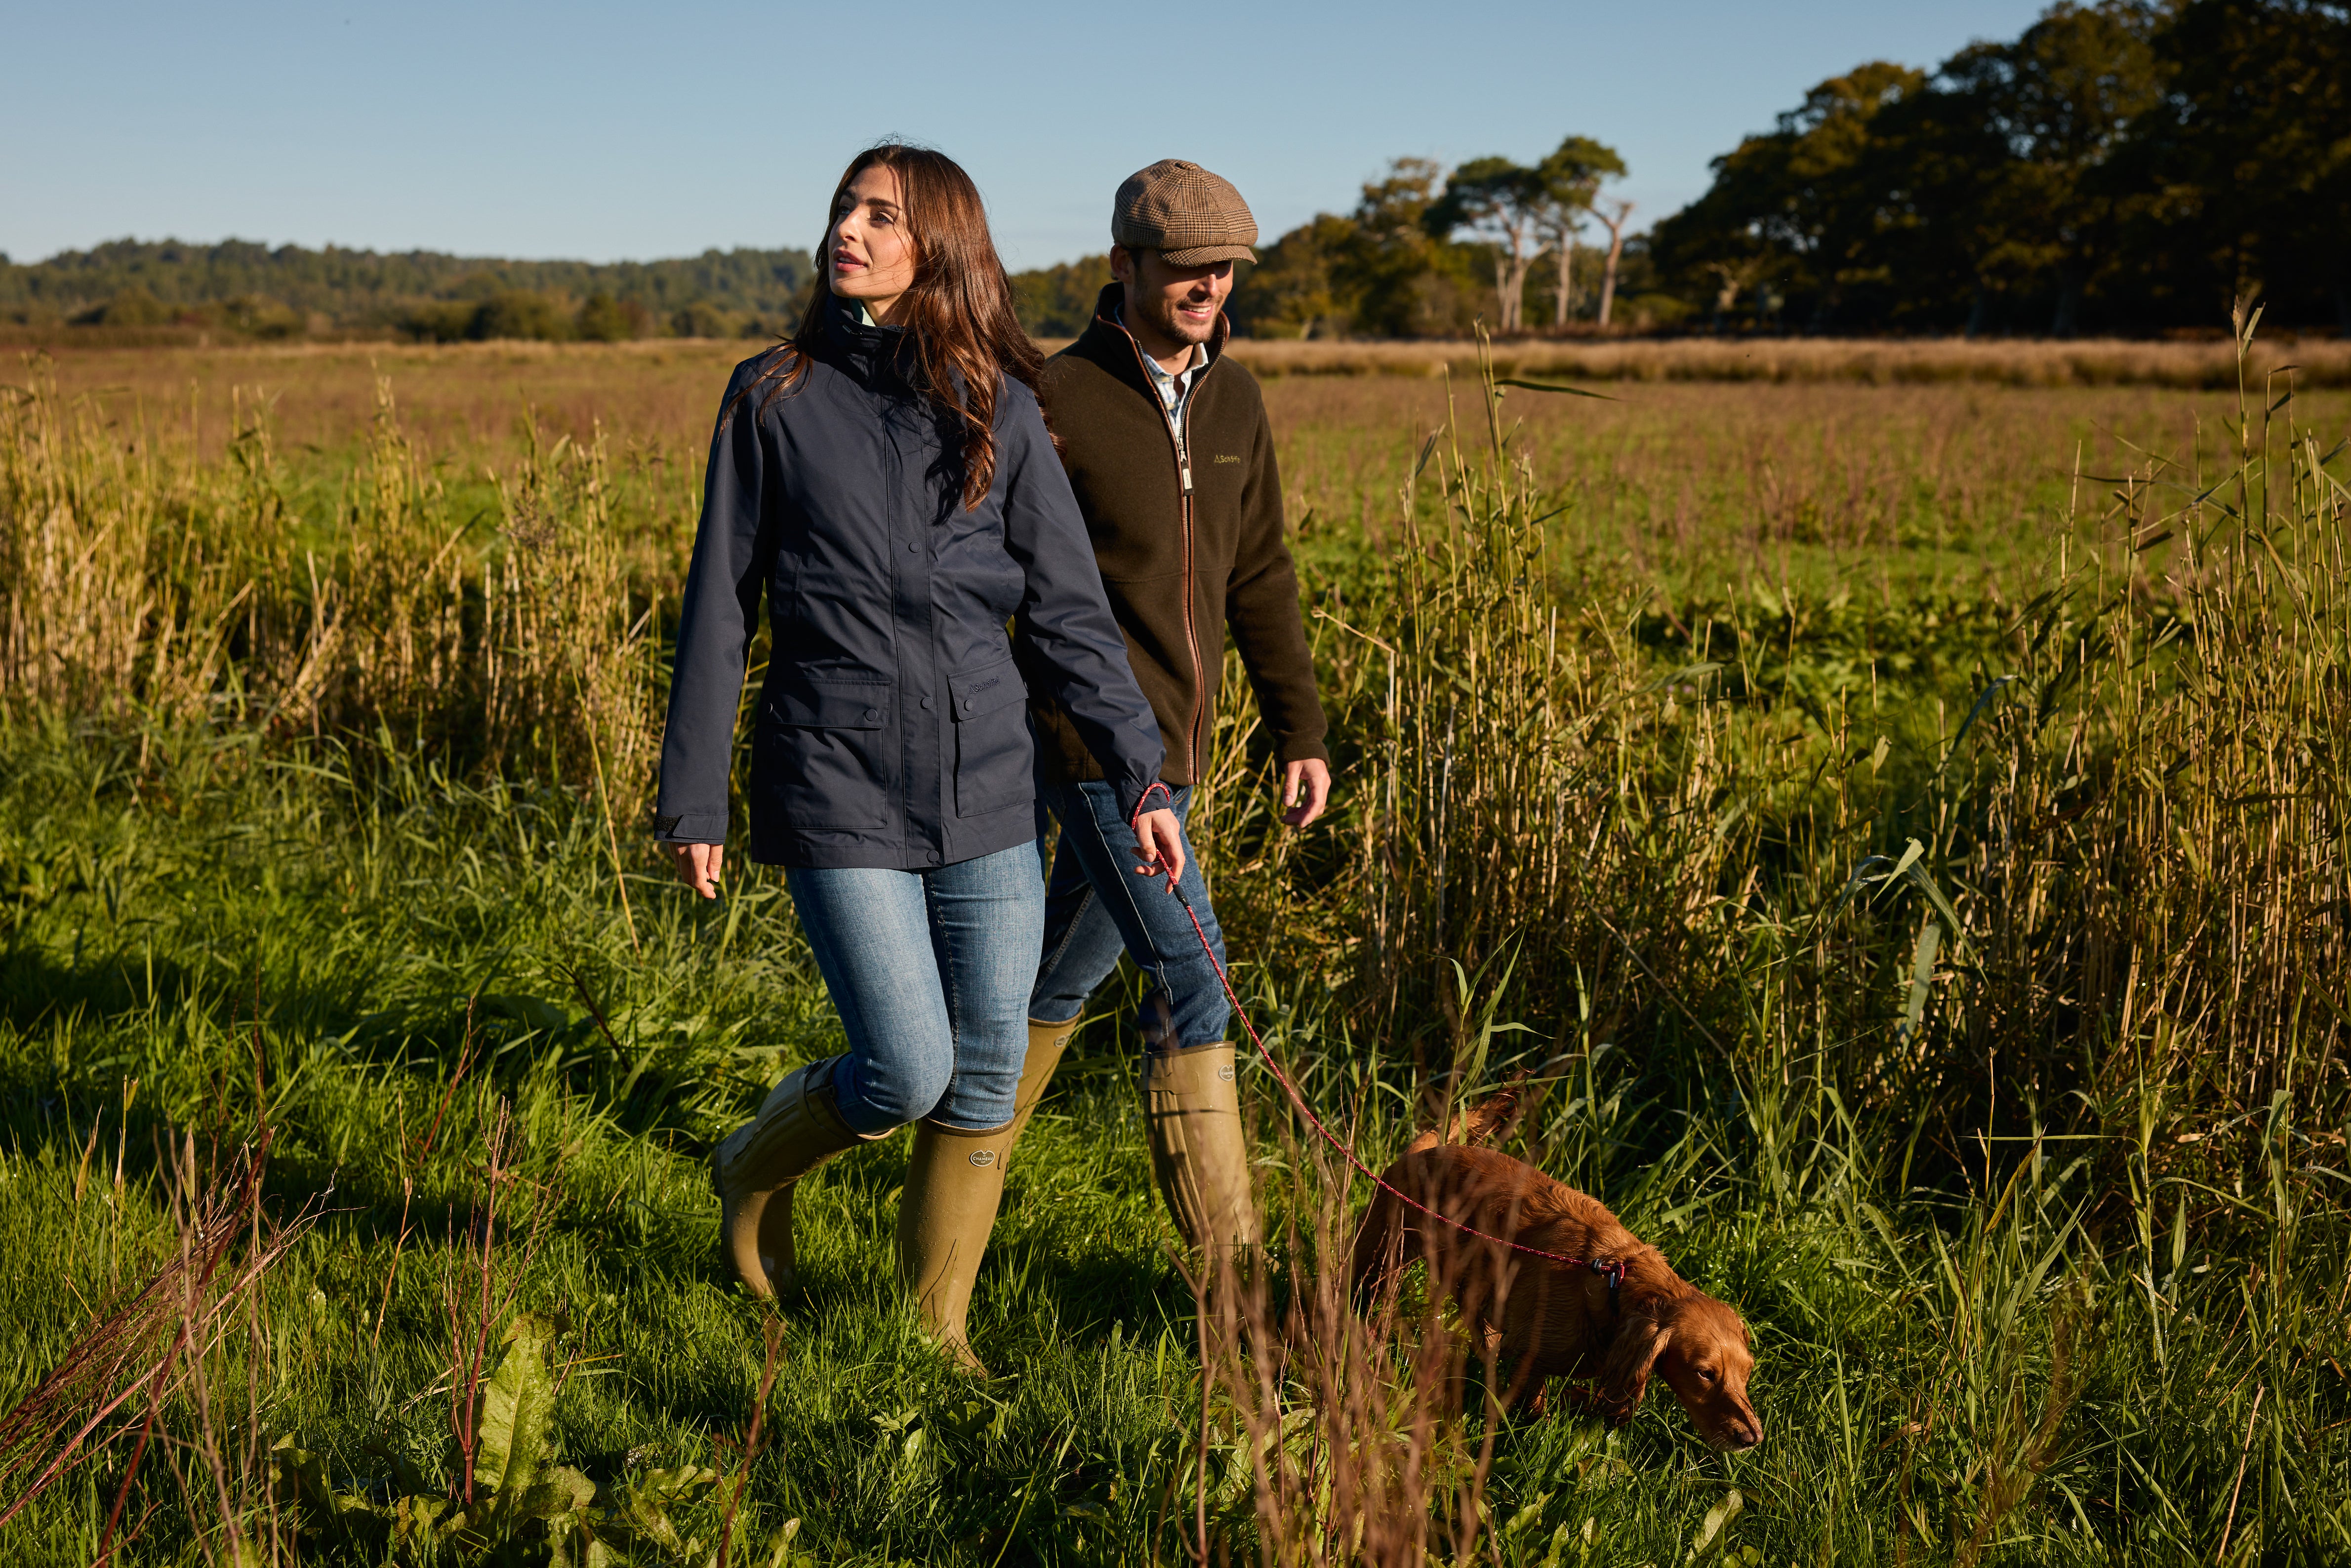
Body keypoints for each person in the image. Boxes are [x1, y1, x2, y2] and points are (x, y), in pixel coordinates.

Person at [653, 143, 1184, 1372]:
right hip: (832, 774)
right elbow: (720, 604)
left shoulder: (1000, 404)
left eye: (881, 215)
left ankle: (931, 1336)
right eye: (846, 207)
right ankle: (748, 1167)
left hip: (988, 783)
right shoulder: (772, 394)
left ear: (937, 246)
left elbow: (1068, 614)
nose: (849, 228)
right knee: (904, 1065)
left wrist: (1139, 776)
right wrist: (693, 797)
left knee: (986, 1065)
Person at [1003, 161, 1332, 1268]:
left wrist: (1300, 731)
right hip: (1091, 743)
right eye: (1187, 265)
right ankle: (1235, 1283)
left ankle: (952, 1187)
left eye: (1225, 266)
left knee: (1059, 975)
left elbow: (1261, 575)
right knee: (1193, 974)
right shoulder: (1054, 396)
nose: (1209, 284)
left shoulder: (1237, 401)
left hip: (1180, 748)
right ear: (1124, 265)